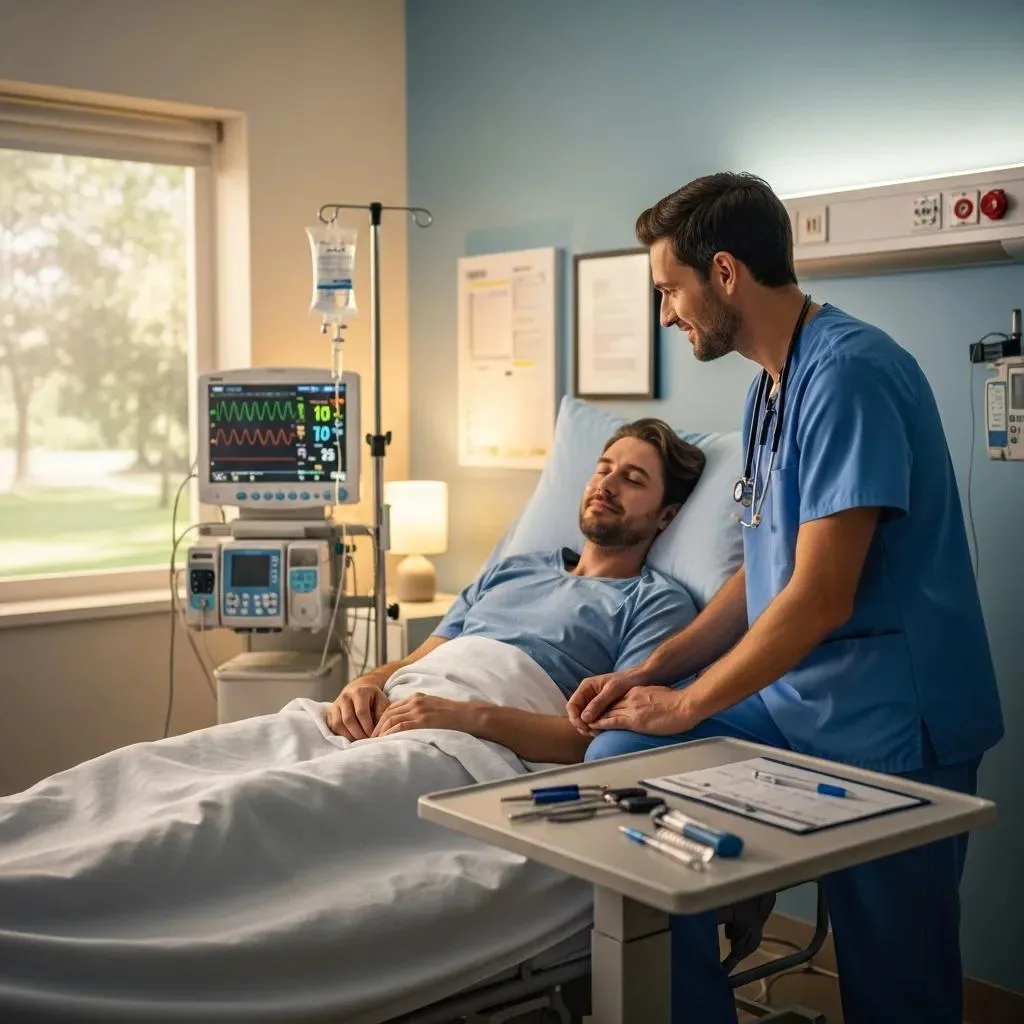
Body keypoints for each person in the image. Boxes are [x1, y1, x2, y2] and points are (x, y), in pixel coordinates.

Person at [566, 173, 1004, 1024]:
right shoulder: (769, 384)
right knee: (618, 748)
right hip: (799, 701)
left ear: (723, 273)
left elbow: (818, 599)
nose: (666, 315)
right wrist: (647, 674)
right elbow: (760, 577)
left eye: (669, 291)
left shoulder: (850, 376)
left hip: (888, 722)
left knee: (894, 986)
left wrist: (691, 702)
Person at [326, 417, 705, 763]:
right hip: (395, 707)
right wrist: (363, 685)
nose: (606, 484)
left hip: (462, 741)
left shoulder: (657, 603)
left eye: (633, 479)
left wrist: (468, 716)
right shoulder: (513, 568)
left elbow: (599, 741)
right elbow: (417, 660)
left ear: (666, 515)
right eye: (603, 470)